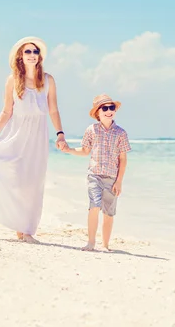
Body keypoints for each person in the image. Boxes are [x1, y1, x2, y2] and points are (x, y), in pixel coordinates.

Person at [0, 36, 68, 244]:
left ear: (39, 57)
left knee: (33, 183)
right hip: (16, 135)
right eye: (27, 51)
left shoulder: (48, 80)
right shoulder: (12, 80)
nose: (31, 55)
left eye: (35, 52)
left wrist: (60, 133)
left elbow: (53, 109)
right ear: (20, 55)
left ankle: (27, 230)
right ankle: (19, 226)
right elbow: (6, 111)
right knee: (17, 180)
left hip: (38, 136)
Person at [63, 94, 131, 251]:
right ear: (97, 113)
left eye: (111, 108)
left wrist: (119, 181)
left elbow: (123, 159)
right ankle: (91, 242)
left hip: (112, 178)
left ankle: (105, 245)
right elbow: (85, 151)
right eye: (105, 108)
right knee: (94, 206)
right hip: (94, 175)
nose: (109, 111)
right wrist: (69, 150)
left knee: (108, 213)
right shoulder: (91, 130)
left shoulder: (121, 133)